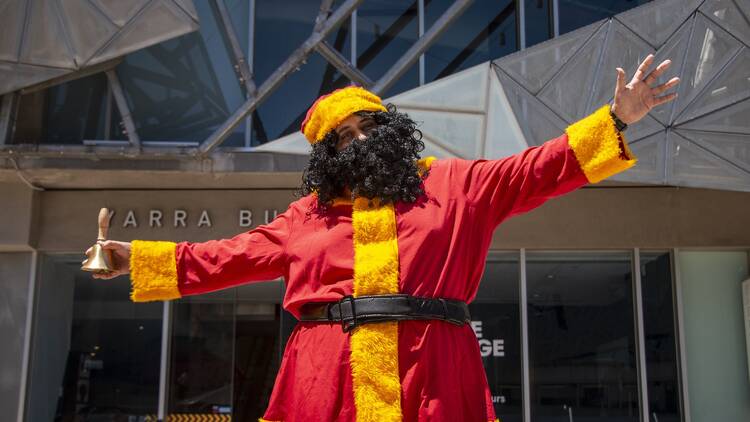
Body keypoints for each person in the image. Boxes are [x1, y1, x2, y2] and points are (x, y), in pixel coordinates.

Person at [89, 54, 679, 422]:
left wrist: (616, 119)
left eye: (367, 125)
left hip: (434, 371)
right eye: (342, 137)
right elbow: (222, 257)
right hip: (325, 378)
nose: (359, 139)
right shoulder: (305, 218)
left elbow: (538, 168)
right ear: (327, 156)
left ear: (391, 129)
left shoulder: (458, 185)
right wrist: (131, 258)